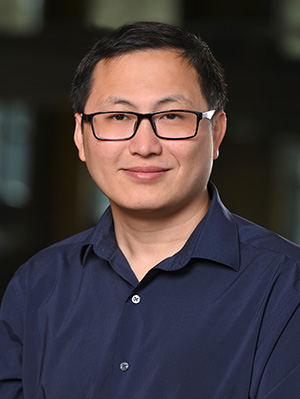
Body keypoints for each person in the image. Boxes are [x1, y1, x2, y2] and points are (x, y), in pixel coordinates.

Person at [0, 21, 300, 399]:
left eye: (171, 116)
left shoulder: (287, 286)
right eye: (119, 117)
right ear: (81, 135)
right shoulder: (37, 285)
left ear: (217, 133)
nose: (144, 145)